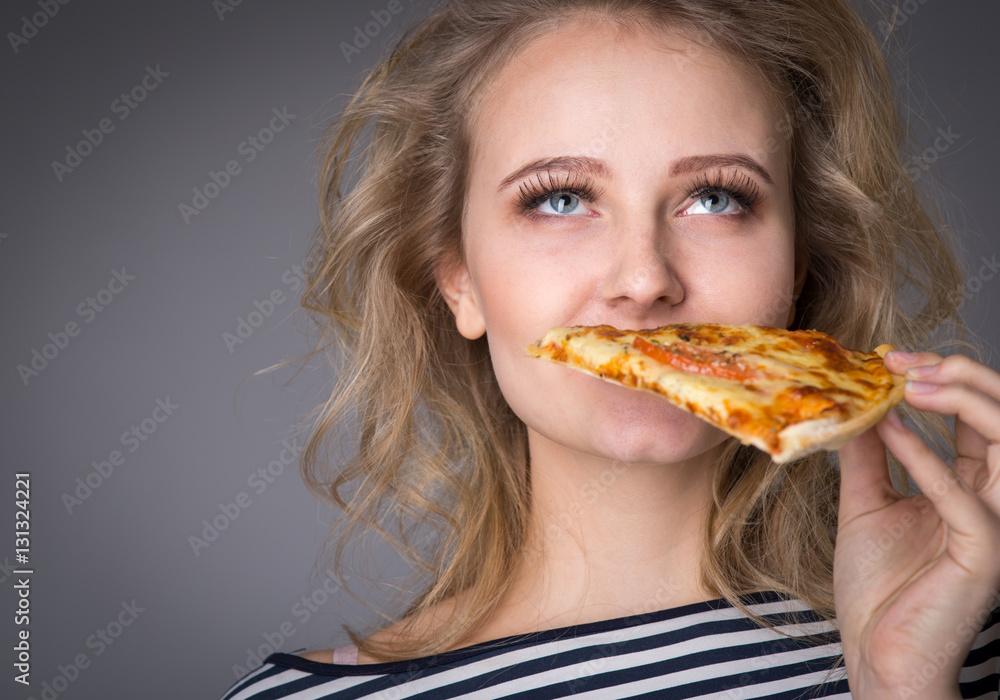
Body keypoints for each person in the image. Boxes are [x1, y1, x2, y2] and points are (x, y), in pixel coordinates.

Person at [218, 0, 1000, 697]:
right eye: (560, 200)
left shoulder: (956, 634)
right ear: (459, 281)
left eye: (715, 199)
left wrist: (904, 684)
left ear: (796, 269)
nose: (643, 280)